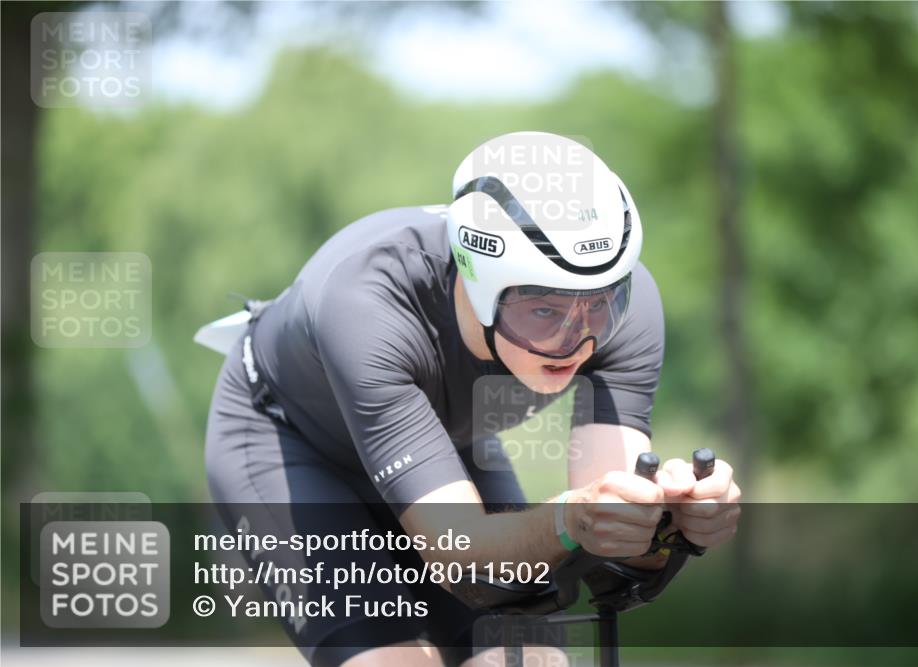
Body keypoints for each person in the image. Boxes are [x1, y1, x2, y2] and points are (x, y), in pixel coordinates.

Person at [204, 132, 741, 667]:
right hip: (287, 443)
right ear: (479, 282)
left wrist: (670, 527)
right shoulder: (367, 303)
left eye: (599, 306)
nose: (577, 342)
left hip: (440, 439)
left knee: (531, 661)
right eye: (544, 311)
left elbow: (608, 546)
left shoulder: (628, 305)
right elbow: (458, 550)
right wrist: (567, 519)